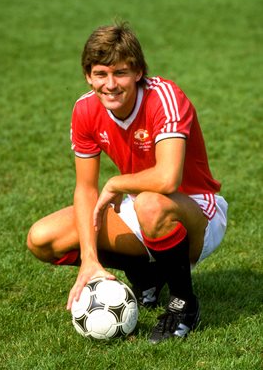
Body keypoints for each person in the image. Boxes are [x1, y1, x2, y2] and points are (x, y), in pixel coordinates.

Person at [27, 22, 228, 343]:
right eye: (100, 74)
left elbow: (168, 177)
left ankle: (183, 304)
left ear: (138, 72)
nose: (110, 84)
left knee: (150, 203)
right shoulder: (85, 109)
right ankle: (147, 276)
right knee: (42, 239)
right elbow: (85, 189)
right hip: (141, 208)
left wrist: (118, 183)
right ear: (88, 76)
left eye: (120, 73)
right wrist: (89, 260)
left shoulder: (165, 97)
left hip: (197, 210)